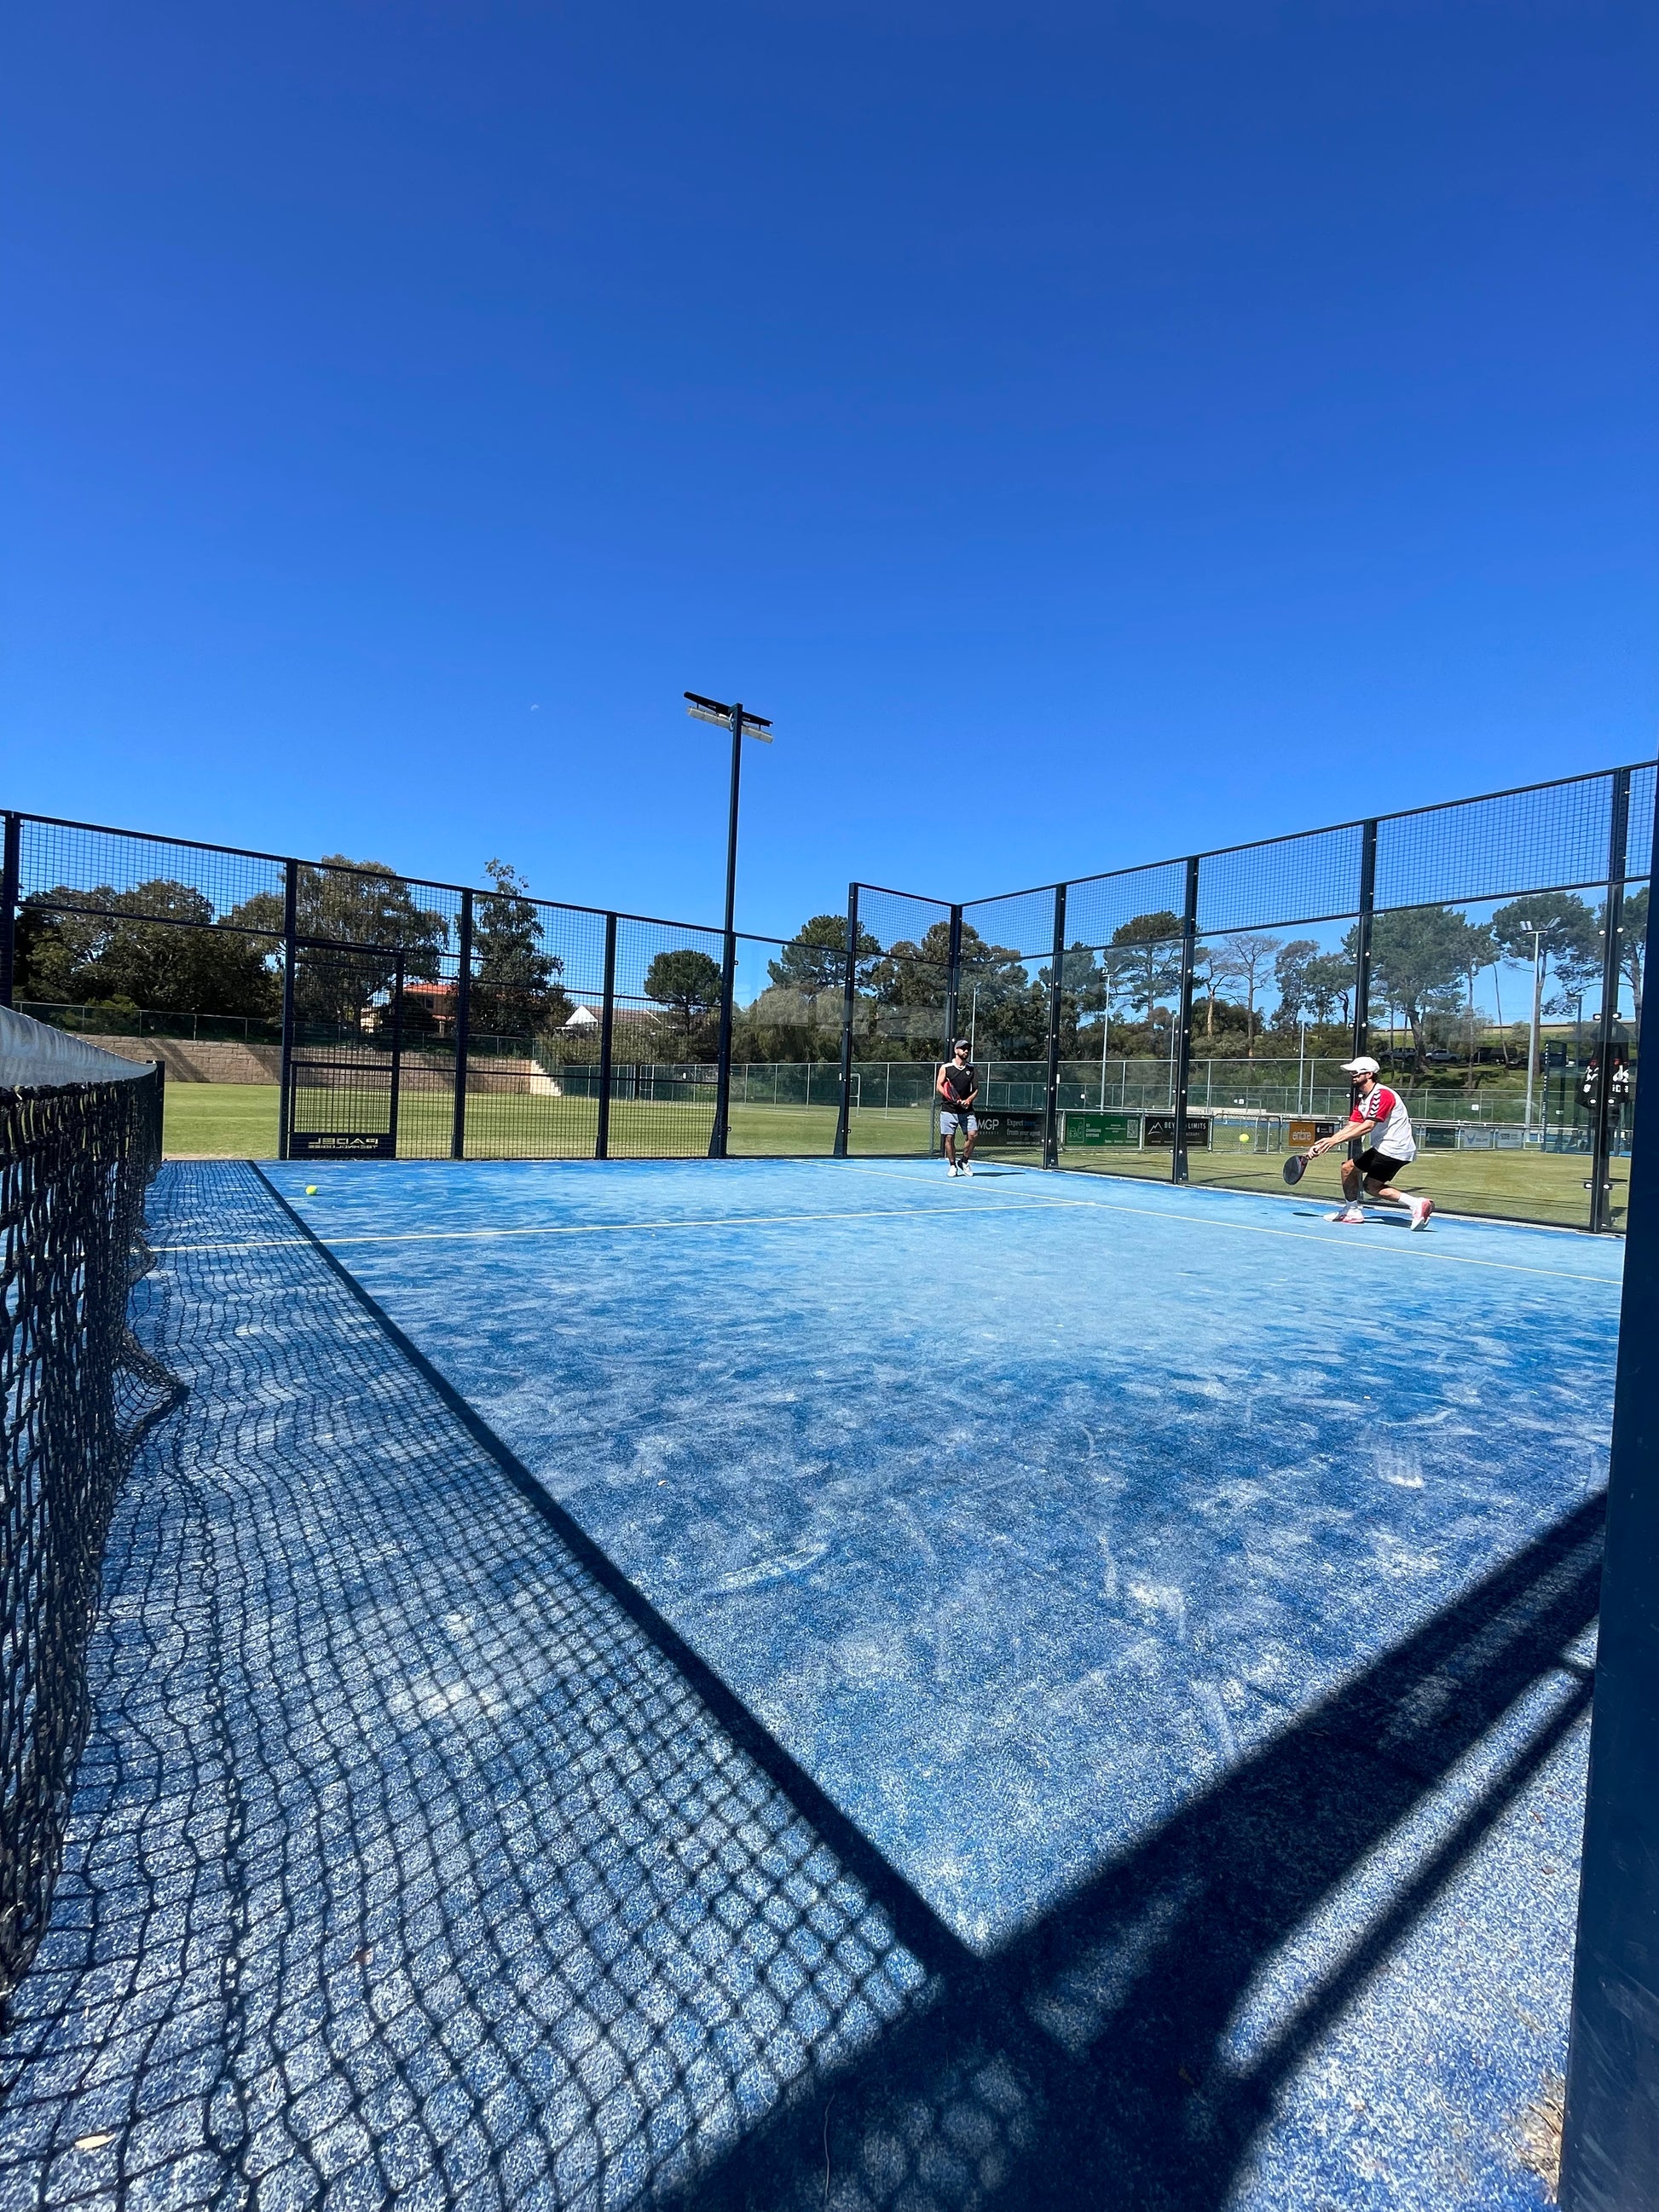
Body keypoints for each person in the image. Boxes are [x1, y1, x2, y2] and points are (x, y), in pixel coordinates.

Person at [1305, 1055, 1433, 1229]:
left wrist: (1333, 1142)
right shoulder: (1364, 1100)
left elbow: (1368, 1126)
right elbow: (1353, 1125)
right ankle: (1417, 1203)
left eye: (1356, 1072)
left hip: (1393, 1147)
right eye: (1351, 1072)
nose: (1352, 1075)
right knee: (1371, 1186)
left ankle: (1352, 1211)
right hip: (1391, 1148)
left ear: (1369, 1074)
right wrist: (1326, 1142)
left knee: (1348, 1168)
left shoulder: (1383, 1094)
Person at [937, 1039, 979, 1175]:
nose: (966, 1051)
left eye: (968, 1049)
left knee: (973, 1135)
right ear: (956, 1050)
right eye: (963, 1048)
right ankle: (952, 1165)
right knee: (949, 1138)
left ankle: (964, 1161)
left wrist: (968, 1100)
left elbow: (976, 1089)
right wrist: (951, 1097)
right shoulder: (946, 1068)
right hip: (949, 1110)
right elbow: (939, 1086)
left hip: (967, 1111)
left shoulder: (971, 1069)